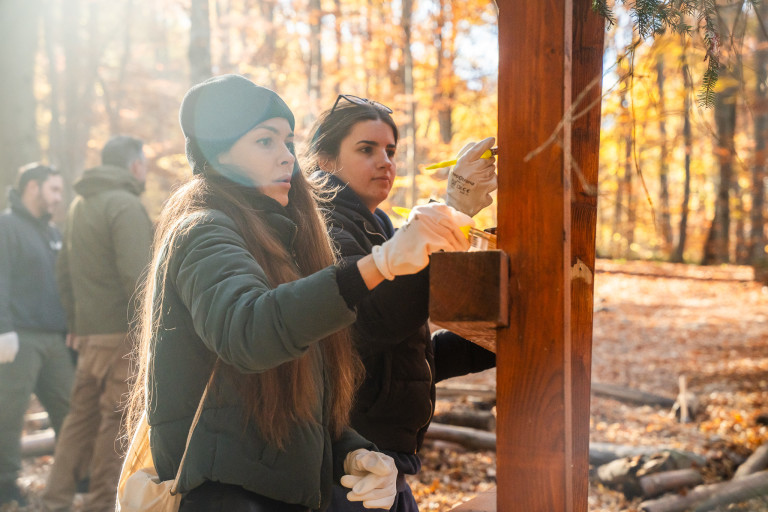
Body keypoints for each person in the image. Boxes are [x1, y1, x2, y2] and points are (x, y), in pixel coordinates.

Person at [121, 74, 474, 512]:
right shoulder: (203, 230)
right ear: (219, 152)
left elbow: (306, 388)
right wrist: (378, 266)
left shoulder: (284, 241)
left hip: (282, 491)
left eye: (288, 142)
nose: (286, 157)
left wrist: (355, 450)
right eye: (265, 142)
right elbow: (249, 330)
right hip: (226, 498)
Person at [304, 95, 498, 512]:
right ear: (324, 160)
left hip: (382, 461)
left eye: (390, 151)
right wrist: (453, 211)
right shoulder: (322, 228)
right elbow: (369, 325)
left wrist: (494, 340)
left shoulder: (378, 231)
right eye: (366, 149)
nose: (385, 161)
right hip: (349, 462)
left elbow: (405, 359)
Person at [42, 136, 153, 512]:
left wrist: (75, 324)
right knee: (115, 421)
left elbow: (63, 272)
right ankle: (102, 503)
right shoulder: (125, 205)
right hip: (122, 334)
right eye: (144, 162)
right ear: (134, 165)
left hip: (89, 334)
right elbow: (139, 277)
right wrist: (149, 330)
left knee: (79, 419)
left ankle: (54, 500)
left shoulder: (78, 205)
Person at [0, 164, 75, 507]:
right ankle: (5, 485)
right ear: (33, 187)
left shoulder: (52, 232)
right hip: (20, 339)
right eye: (54, 190)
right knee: (8, 415)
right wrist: (4, 330)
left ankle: (73, 477)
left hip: (55, 340)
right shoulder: (6, 226)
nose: (59, 198)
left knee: (71, 411)